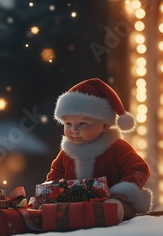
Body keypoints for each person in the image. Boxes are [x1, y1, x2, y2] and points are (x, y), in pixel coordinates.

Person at [47, 78, 152, 221]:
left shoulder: (117, 147)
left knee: (114, 206)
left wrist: (123, 191)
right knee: (53, 209)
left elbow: (138, 168)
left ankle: (108, 212)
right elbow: (55, 174)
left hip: (113, 198)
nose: (74, 130)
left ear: (105, 125)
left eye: (82, 123)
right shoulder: (66, 153)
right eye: (68, 123)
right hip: (75, 204)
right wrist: (51, 191)